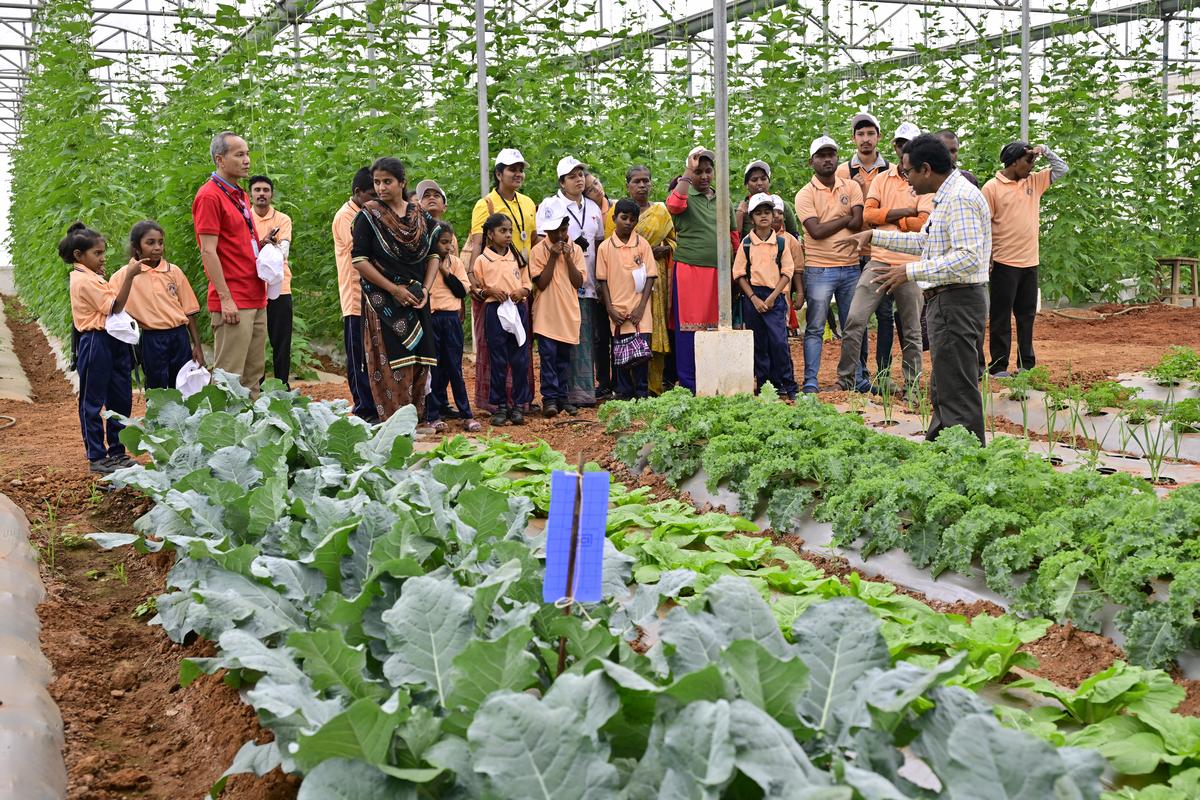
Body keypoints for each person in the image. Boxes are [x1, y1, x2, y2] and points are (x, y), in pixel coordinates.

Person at [851, 133, 992, 444]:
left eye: (909, 171)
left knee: (957, 385)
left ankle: (965, 455)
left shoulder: (960, 199)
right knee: (944, 384)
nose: (906, 179)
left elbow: (968, 258)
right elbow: (927, 242)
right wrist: (875, 237)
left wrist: (910, 271)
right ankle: (944, 449)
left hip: (958, 300)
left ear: (926, 169)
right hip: (947, 300)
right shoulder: (945, 197)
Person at [837, 122, 930, 393]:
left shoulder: (925, 181)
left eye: (910, 145)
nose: (905, 150)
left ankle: (912, 388)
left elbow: (923, 223)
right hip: (878, 260)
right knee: (855, 319)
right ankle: (845, 381)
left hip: (911, 265)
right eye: (901, 144)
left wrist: (888, 216)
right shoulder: (882, 178)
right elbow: (868, 215)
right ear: (895, 146)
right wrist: (904, 213)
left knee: (911, 331)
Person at [351, 157, 442, 421]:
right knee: (391, 364)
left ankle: (413, 421)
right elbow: (359, 260)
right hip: (384, 303)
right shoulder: (368, 216)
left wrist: (425, 289)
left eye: (387, 181)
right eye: (377, 182)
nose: (381, 188)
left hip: (417, 299)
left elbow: (434, 255)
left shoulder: (420, 217)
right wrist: (394, 289)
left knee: (418, 362)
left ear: (402, 183)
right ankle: (393, 425)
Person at [983, 140, 1069, 377]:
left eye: (1033, 161)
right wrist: (987, 258)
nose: (1032, 166)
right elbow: (984, 225)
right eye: (1027, 160)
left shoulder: (1034, 181)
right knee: (1001, 317)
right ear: (1013, 162)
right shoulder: (992, 188)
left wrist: (1044, 151)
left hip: (1030, 262)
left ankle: (1026, 365)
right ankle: (999, 366)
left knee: (1026, 316)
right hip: (1003, 263)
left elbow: (1062, 169)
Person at [62, 223, 142, 474]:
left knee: (119, 397)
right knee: (93, 401)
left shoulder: (93, 277)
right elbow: (115, 307)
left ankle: (117, 452)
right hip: (95, 341)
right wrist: (129, 275)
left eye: (102, 253)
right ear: (78, 255)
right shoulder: (83, 280)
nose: (102, 257)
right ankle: (96, 455)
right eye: (97, 253)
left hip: (110, 339)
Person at [464, 149, 538, 415]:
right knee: (494, 350)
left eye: (521, 169)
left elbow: (533, 241)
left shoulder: (529, 203)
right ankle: (495, 403)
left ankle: (521, 401)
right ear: (498, 174)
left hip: (519, 282)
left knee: (520, 348)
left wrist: (528, 285)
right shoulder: (486, 204)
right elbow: (476, 243)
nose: (518, 174)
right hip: (493, 286)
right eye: (511, 169)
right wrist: (474, 279)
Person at [193, 131, 267, 396]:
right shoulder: (210, 197)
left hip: (255, 296)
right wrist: (225, 298)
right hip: (234, 301)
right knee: (228, 379)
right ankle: (220, 435)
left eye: (247, 153)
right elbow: (208, 251)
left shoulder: (240, 195)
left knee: (252, 378)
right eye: (239, 155)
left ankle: (253, 434)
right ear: (220, 159)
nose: (247, 160)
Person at [795, 135, 864, 393]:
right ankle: (811, 381)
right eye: (821, 156)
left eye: (831, 154)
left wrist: (837, 221)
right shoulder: (805, 194)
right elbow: (815, 231)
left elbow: (858, 223)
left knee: (853, 326)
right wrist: (845, 217)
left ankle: (854, 378)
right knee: (814, 327)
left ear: (837, 158)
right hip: (819, 268)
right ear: (811, 161)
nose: (827, 159)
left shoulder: (851, 187)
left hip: (850, 267)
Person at [666, 146, 737, 393]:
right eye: (699, 172)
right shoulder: (685, 196)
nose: (704, 176)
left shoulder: (723, 199)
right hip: (690, 270)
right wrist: (688, 168)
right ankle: (689, 385)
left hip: (720, 274)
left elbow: (733, 235)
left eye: (708, 171)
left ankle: (715, 381)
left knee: (717, 327)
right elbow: (673, 206)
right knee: (689, 328)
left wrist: (734, 270)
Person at [604, 166, 677, 393]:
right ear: (627, 185)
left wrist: (663, 249)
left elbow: (673, 241)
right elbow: (610, 247)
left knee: (652, 329)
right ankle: (627, 387)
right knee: (625, 332)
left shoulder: (660, 212)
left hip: (655, 280)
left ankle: (653, 386)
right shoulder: (615, 213)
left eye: (646, 181)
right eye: (637, 181)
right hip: (623, 284)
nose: (642, 185)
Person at [111, 220, 204, 390]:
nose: (157, 247)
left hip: (179, 337)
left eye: (160, 242)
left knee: (183, 383)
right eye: (150, 242)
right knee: (156, 385)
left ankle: (181, 417)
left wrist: (197, 345)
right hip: (151, 339)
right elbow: (112, 308)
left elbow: (189, 311)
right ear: (136, 246)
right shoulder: (124, 276)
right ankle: (156, 417)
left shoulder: (173, 271)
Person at [546, 156, 606, 405]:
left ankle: (585, 392)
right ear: (562, 182)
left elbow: (600, 243)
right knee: (564, 339)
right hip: (561, 284)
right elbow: (544, 242)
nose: (579, 179)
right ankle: (564, 393)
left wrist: (601, 281)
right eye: (572, 176)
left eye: (581, 174)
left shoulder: (593, 207)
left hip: (588, 281)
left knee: (587, 338)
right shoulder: (551, 205)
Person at [734, 193, 798, 399]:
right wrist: (754, 298)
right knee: (759, 343)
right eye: (758, 213)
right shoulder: (746, 244)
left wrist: (771, 299)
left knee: (779, 342)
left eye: (767, 212)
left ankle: (787, 384)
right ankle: (765, 386)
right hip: (753, 298)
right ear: (752, 218)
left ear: (774, 216)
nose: (763, 216)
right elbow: (739, 274)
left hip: (775, 297)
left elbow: (787, 272)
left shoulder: (780, 243)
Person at [473, 214, 532, 426]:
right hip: (494, 310)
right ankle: (499, 406)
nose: (508, 235)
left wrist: (522, 291)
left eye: (510, 231)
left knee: (519, 359)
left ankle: (518, 405)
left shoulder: (517, 257)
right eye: (503, 231)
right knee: (497, 359)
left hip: (516, 309)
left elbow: (527, 283)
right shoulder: (482, 260)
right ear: (490, 234)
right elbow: (476, 288)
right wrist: (489, 290)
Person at [597, 199, 658, 400]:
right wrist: (610, 309)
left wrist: (641, 307)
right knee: (620, 354)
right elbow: (602, 281)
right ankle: (623, 393)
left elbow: (650, 276)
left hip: (640, 310)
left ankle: (641, 393)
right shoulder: (605, 247)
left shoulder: (642, 245)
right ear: (614, 219)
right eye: (624, 218)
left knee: (641, 355)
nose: (628, 223)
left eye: (633, 219)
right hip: (618, 310)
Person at [529, 197, 585, 417]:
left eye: (562, 231)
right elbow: (541, 283)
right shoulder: (538, 251)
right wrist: (553, 256)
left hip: (568, 314)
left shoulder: (576, 250)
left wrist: (568, 258)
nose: (559, 236)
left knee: (563, 360)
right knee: (548, 359)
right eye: (554, 232)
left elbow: (578, 282)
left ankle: (563, 398)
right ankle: (549, 399)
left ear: (567, 228)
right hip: (546, 315)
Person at [424, 223, 480, 433]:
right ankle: (433, 415)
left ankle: (466, 414)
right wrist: (434, 265)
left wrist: (444, 270)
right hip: (431, 318)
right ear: (433, 242)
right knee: (433, 368)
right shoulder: (423, 263)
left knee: (454, 368)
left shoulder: (454, 263)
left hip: (450, 319)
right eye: (443, 242)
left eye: (450, 242)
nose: (448, 247)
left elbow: (460, 291)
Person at [333, 167, 378, 422]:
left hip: (373, 297)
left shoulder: (367, 212)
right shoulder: (345, 217)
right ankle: (363, 408)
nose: (376, 198)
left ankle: (374, 406)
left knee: (371, 355)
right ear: (357, 193)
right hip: (355, 297)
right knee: (358, 357)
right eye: (371, 194)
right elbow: (361, 252)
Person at [248, 175, 293, 387]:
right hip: (253, 287)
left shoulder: (282, 219)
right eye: (257, 190)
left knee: (281, 341)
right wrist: (265, 243)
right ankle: (256, 387)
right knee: (254, 341)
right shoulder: (244, 217)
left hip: (279, 287)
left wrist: (261, 246)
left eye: (266, 190)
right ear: (250, 194)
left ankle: (282, 386)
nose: (261, 194)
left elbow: (283, 251)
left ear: (271, 194)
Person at [771, 194, 805, 338]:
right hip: (760, 293)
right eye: (772, 212)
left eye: (780, 212)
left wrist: (800, 293)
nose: (776, 216)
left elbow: (797, 269)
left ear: (784, 217)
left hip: (783, 293)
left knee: (781, 330)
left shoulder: (791, 241)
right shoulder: (752, 239)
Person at [737, 160, 800, 238]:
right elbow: (734, 239)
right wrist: (739, 215)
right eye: (754, 180)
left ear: (769, 182)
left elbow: (794, 235)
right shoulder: (741, 209)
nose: (759, 183)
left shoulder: (783, 206)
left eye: (763, 179)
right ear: (746, 185)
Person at [415, 179, 459, 253]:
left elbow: (454, 262)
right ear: (420, 204)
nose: (431, 197)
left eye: (436, 195)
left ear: (444, 207)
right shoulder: (414, 230)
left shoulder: (450, 237)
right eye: (426, 195)